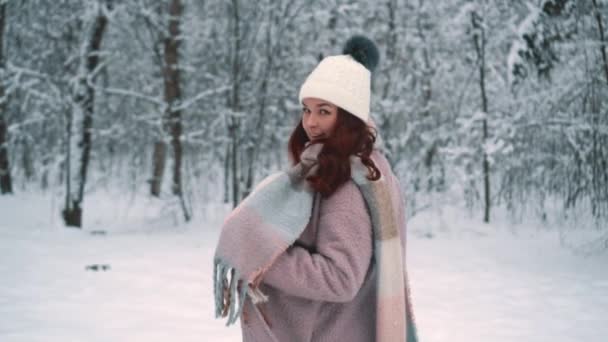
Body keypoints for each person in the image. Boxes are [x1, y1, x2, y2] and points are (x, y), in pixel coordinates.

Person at [214, 35, 419, 342]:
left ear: (348, 117)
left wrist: (264, 258)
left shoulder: (348, 181)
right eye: (306, 110)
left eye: (324, 111)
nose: (310, 122)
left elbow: (340, 278)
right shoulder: (362, 168)